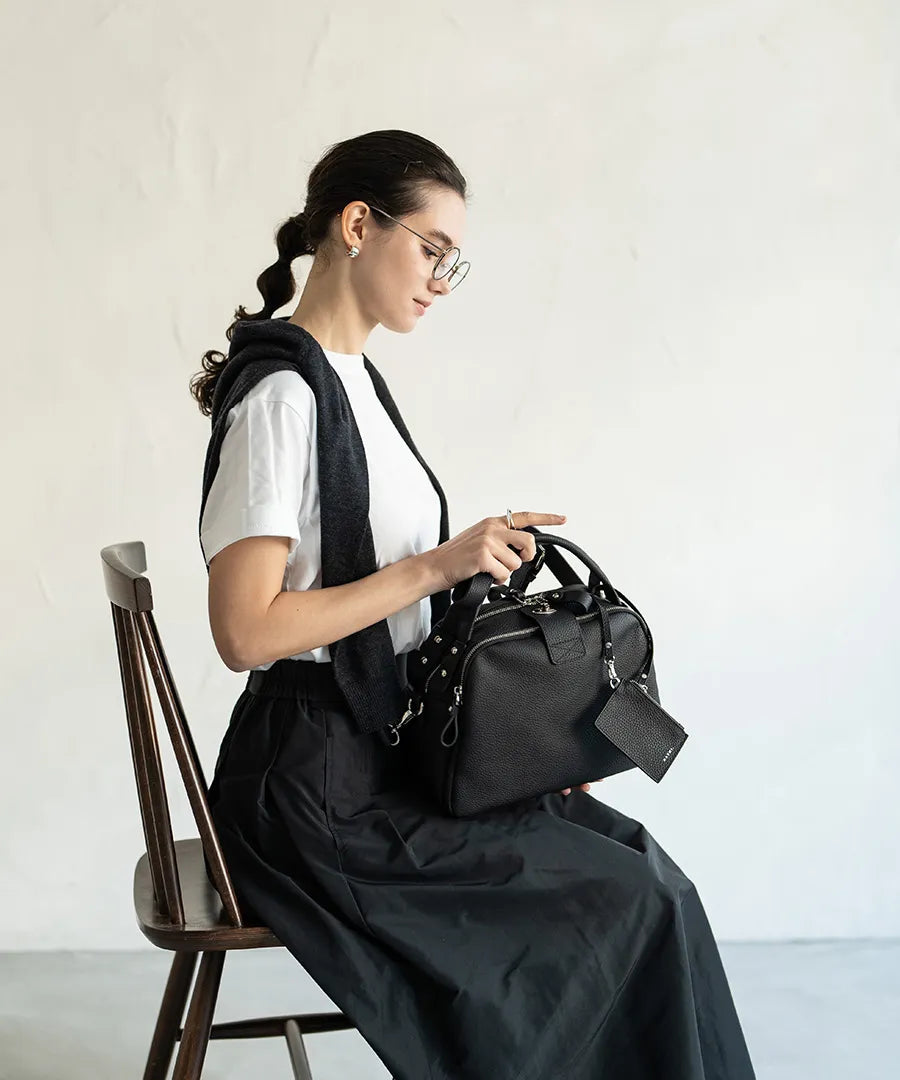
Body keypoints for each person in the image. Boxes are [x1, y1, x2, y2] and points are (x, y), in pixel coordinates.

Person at [191, 129, 757, 1079]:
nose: (442, 280)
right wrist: (433, 569)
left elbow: (387, 594)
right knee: (626, 904)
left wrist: (513, 736)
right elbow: (244, 632)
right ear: (358, 226)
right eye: (433, 251)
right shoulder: (284, 398)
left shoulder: (352, 383)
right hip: (315, 785)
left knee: (654, 875)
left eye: (456, 262)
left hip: (380, 750)